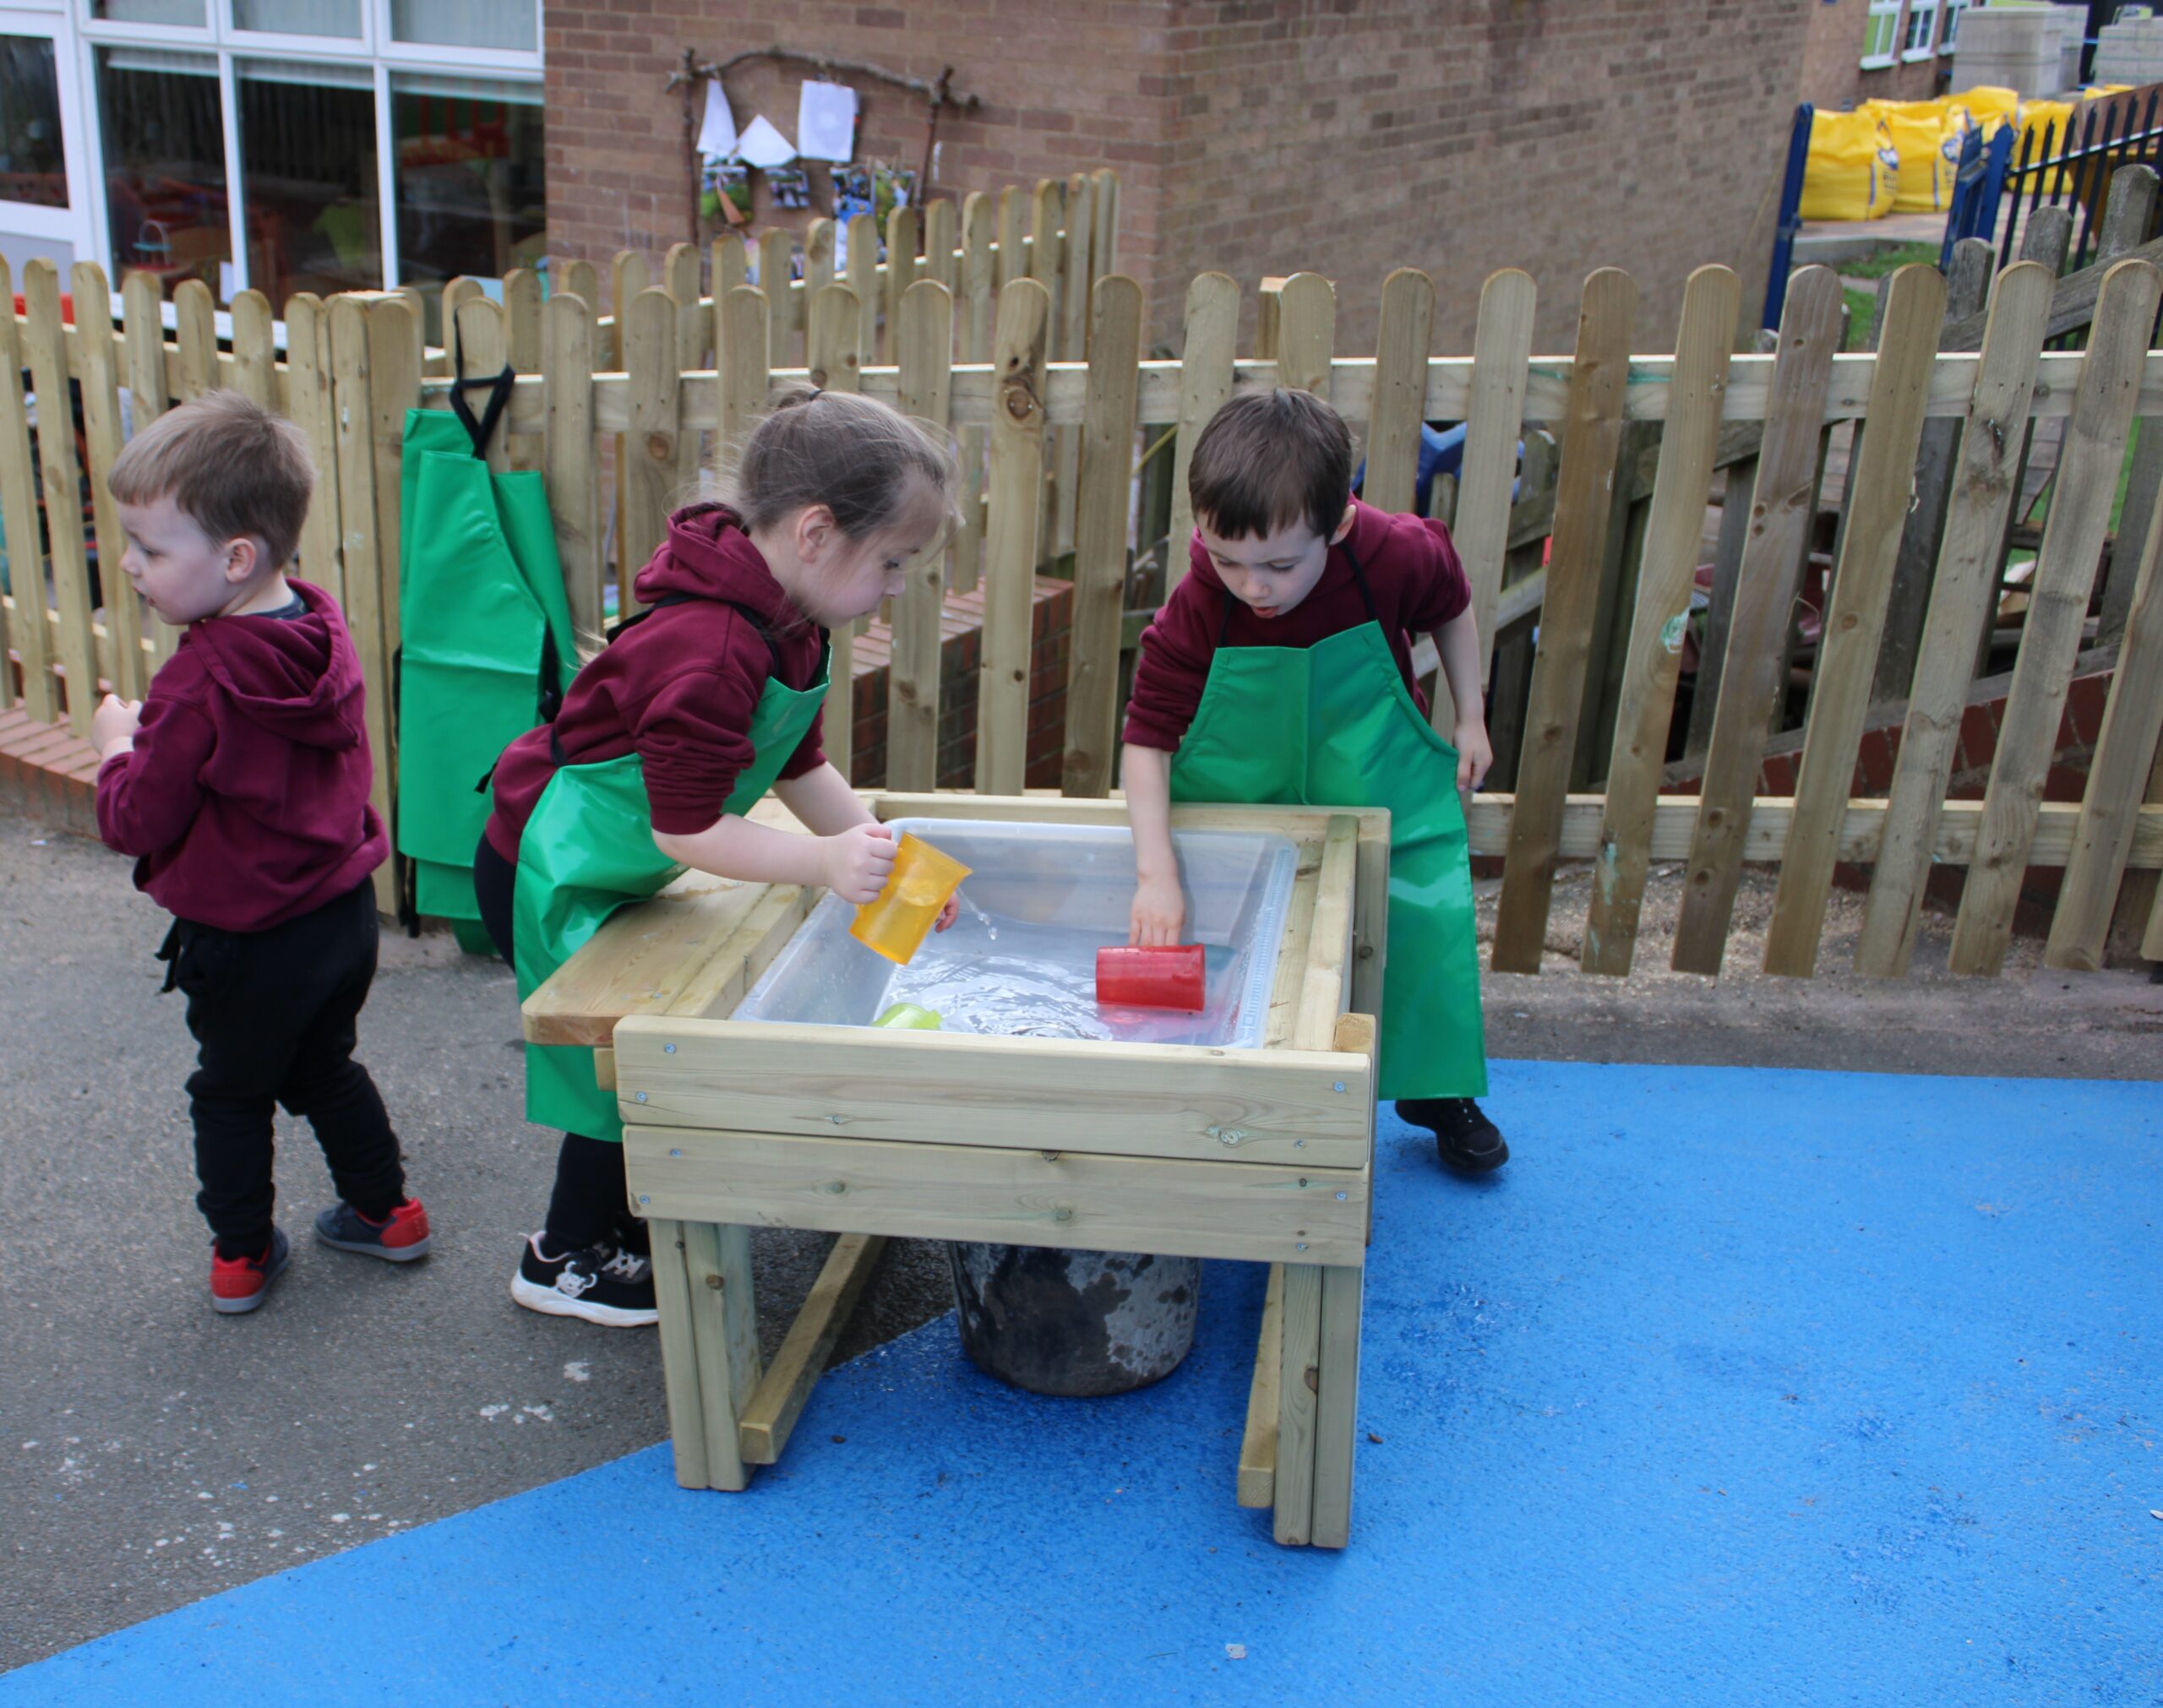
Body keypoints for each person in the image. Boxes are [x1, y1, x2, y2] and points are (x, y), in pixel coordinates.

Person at [475, 385, 957, 1327]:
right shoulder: (712, 647)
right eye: (894, 562)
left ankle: (621, 1222)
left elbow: (794, 759)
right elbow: (684, 830)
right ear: (816, 531)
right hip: (548, 863)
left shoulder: (790, 617)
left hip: (614, 858)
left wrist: (870, 851)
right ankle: (567, 1256)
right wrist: (826, 867)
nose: (898, 585)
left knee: (639, 1054)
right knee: (613, 1062)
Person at [91, 391, 428, 1315]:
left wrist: (117, 745)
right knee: (326, 1065)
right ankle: (388, 1212)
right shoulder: (318, 630)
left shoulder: (200, 678)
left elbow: (136, 819)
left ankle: (242, 1256)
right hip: (339, 915)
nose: (130, 565)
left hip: (245, 938)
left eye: (151, 549)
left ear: (235, 558)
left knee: (229, 1093)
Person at [1122, 389, 1505, 1172]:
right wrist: (1156, 873)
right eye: (1227, 559)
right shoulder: (1202, 602)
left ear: (1338, 523)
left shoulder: (1397, 552)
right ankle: (1238, 1092)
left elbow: (1453, 606)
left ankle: (1434, 1087)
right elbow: (1147, 739)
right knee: (1245, 945)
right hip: (1244, 804)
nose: (1251, 587)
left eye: (1278, 566)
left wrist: (1470, 716)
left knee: (1420, 921)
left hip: (1375, 781)